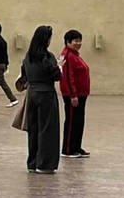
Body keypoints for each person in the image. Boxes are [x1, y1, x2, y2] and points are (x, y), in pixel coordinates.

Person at [21, 25, 62, 173]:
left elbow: (24, 74)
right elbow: (56, 75)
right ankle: (44, 164)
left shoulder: (28, 57)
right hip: (46, 94)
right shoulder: (47, 56)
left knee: (34, 129)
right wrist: (60, 67)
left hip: (32, 93)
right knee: (47, 129)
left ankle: (32, 162)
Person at [59, 28, 92, 158]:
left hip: (81, 94)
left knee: (79, 121)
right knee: (72, 121)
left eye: (80, 40)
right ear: (68, 42)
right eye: (75, 41)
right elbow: (68, 77)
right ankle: (68, 149)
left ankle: (76, 147)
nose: (78, 43)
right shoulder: (68, 56)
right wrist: (73, 95)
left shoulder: (74, 55)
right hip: (73, 95)